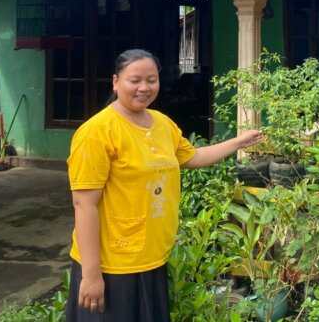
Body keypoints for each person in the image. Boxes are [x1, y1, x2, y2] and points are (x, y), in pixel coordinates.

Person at [65, 49, 264, 321]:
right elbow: (84, 204)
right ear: (115, 82)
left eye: (151, 80)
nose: (144, 88)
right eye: (134, 80)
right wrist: (91, 275)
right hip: (113, 266)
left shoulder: (161, 124)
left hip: (151, 257)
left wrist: (239, 142)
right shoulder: (96, 132)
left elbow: (193, 156)